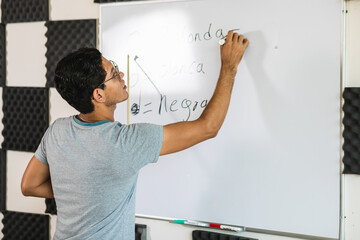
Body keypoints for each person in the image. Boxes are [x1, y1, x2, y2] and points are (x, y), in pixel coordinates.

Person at [21, 31, 249, 239]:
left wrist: (78, 192)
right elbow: (209, 127)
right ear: (98, 94)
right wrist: (229, 67)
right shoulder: (125, 142)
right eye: (113, 74)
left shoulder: (57, 131)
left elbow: (29, 185)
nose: (121, 74)